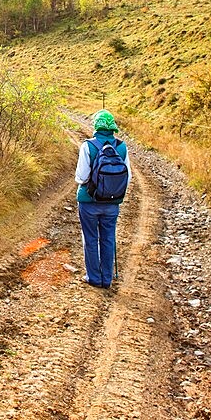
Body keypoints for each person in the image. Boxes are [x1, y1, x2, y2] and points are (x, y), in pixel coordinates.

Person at [74, 109, 131, 288]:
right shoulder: (121, 147)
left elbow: (81, 177)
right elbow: (128, 177)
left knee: (90, 239)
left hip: (89, 202)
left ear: (96, 126)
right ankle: (107, 279)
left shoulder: (88, 146)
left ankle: (94, 278)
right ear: (113, 127)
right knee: (108, 238)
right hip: (112, 203)